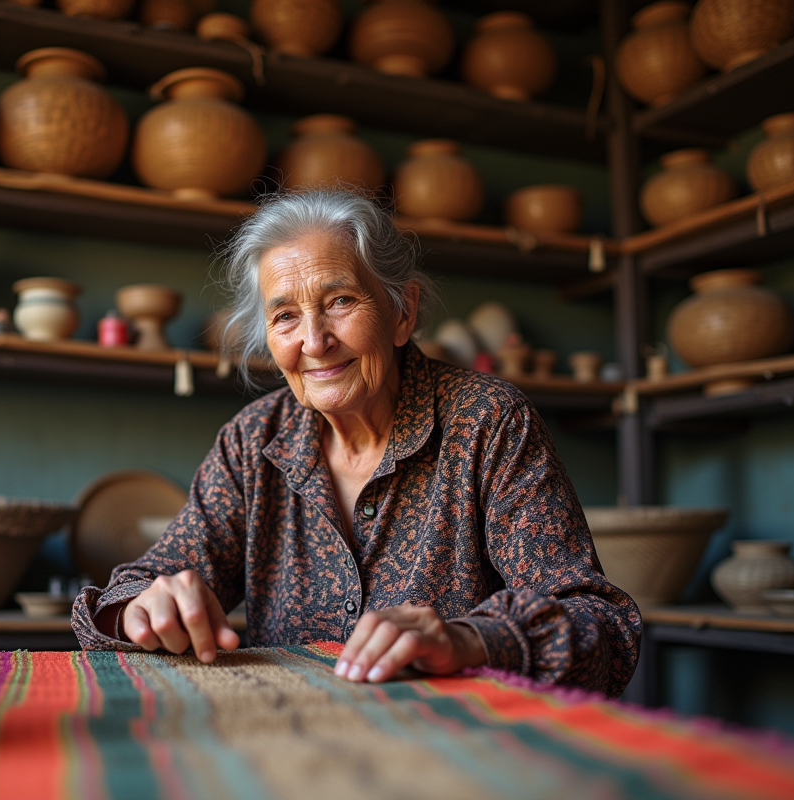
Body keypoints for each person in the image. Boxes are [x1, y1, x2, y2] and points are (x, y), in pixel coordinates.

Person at [72, 190, 641, 697]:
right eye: (286, 316)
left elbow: (602, 626)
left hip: (462, 751)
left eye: (341, 301)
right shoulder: (253, 441)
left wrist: (472, 639)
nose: (314, 341)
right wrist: (141, 610)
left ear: (403, 311)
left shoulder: (487, 422)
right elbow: (144, 583)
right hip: (294, 746)